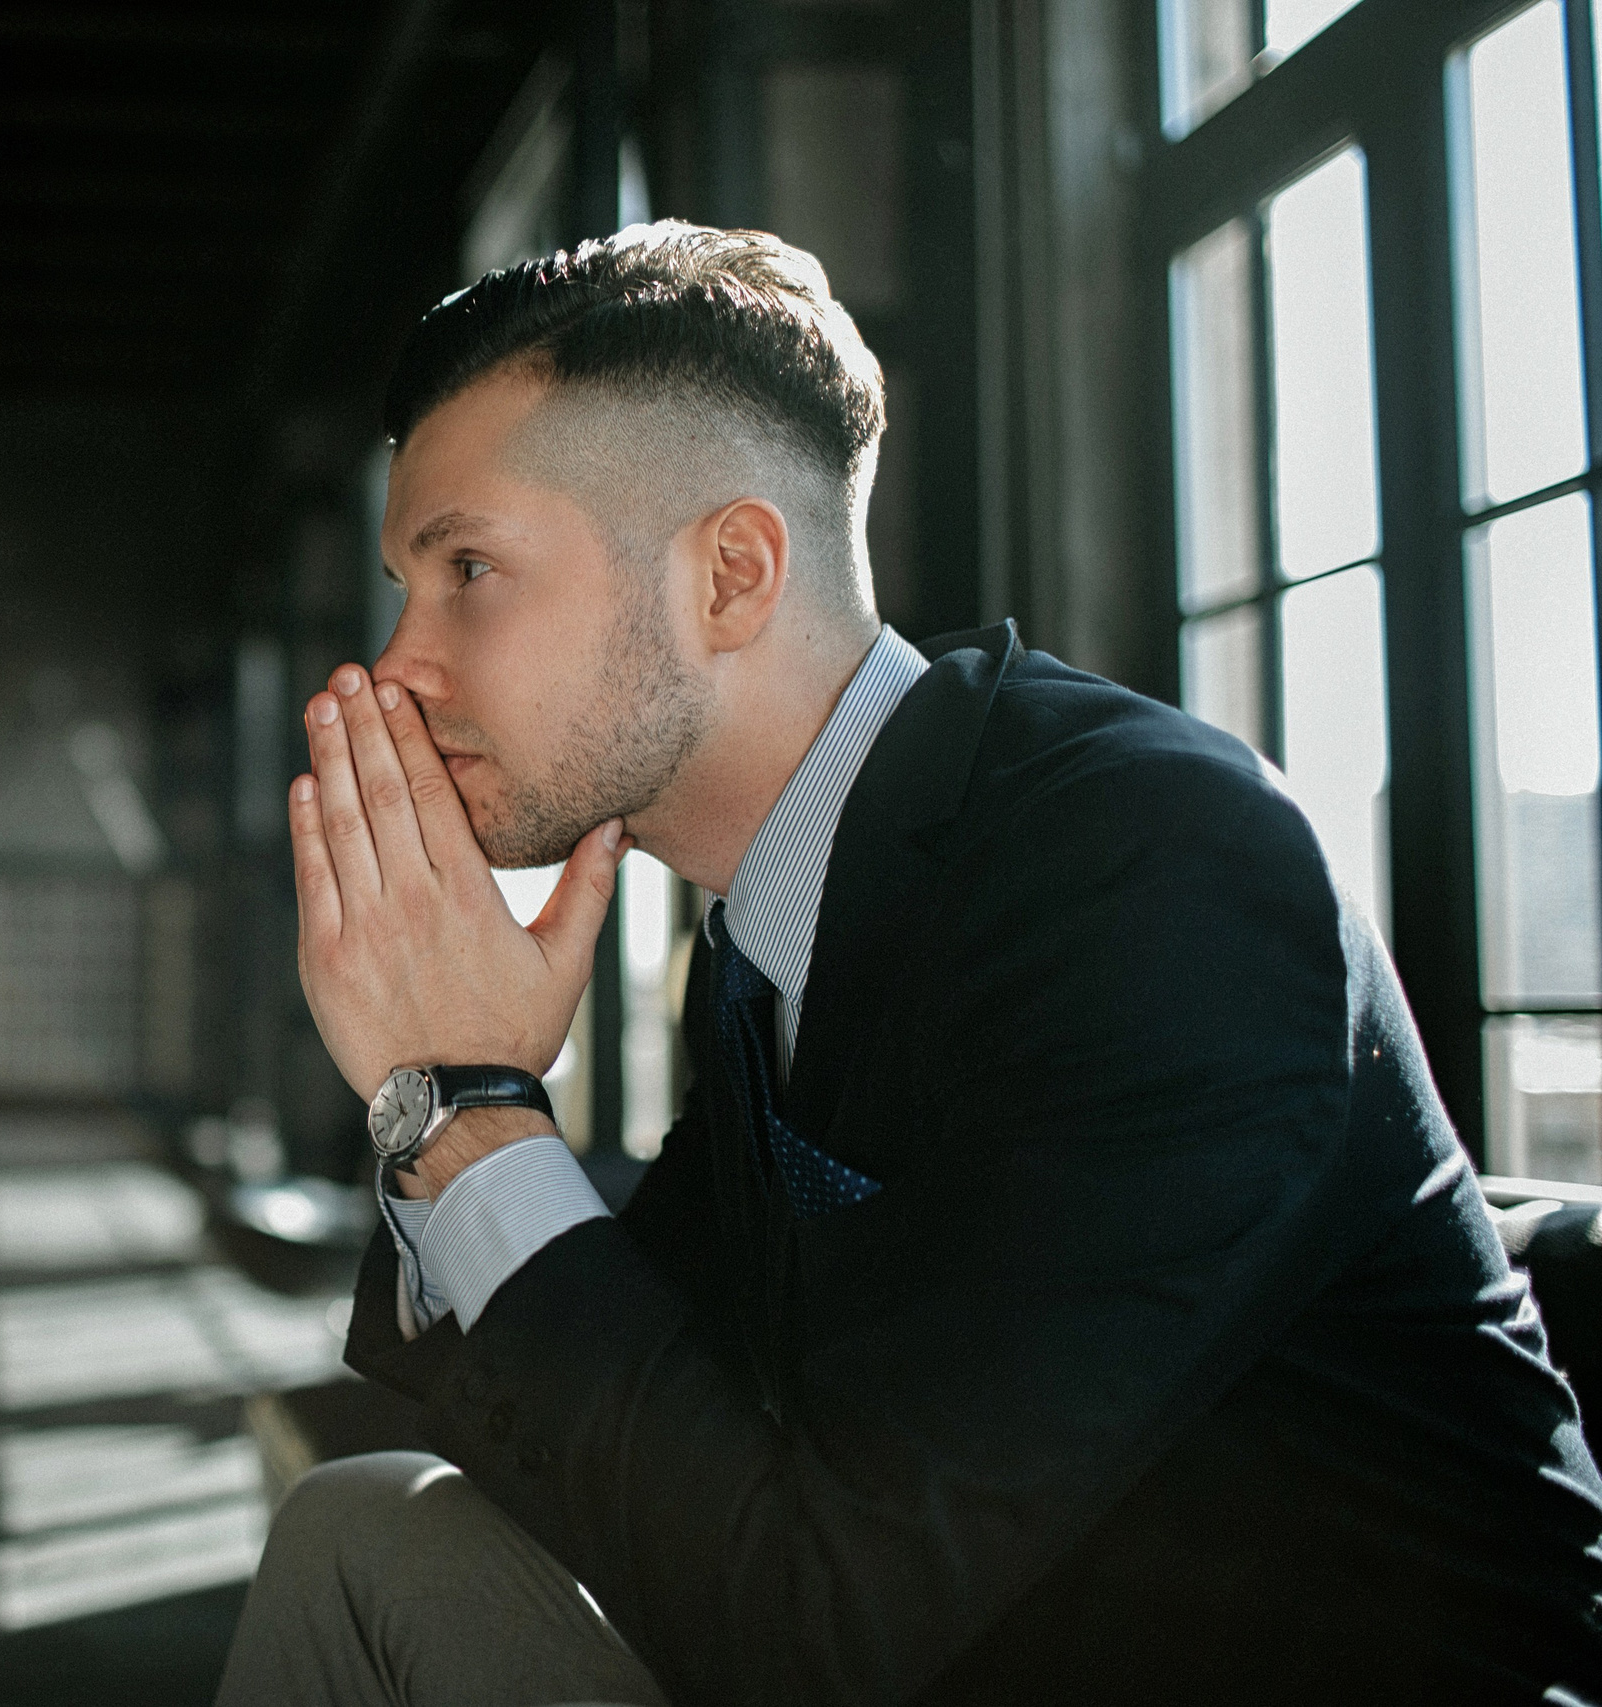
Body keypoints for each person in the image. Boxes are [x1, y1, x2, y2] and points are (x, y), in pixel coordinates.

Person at [213, 223, 1602, 1705]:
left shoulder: (1150, 865)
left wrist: (469, 1111)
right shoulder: (767, 934)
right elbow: (647, 1420)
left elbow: (819, 1625)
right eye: (406, 586)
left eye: (467, 569)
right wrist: (456, 1115)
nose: (399, 663)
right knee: (367, 1540)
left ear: (732, 576)